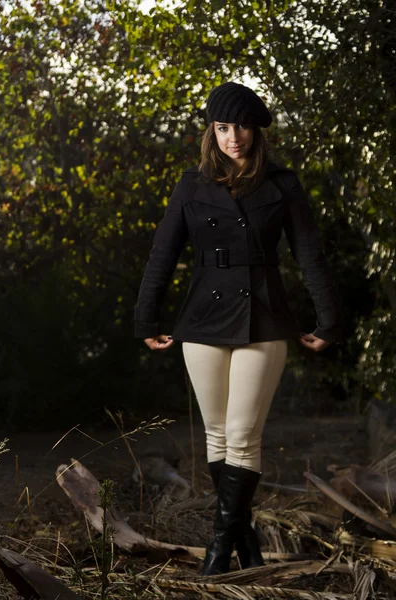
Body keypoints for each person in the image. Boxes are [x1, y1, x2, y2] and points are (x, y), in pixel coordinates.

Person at [133, 82, 343, 575]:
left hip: (265, 318)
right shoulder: (191, 185)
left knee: (243, 436)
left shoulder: (282, 185)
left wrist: (329, 321)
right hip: (202, 320)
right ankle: (246, 549)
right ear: (212, 131)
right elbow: (163, 254)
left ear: (257, 129)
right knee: (217, 435)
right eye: (224, 127)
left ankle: (216, 554)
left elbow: (310, 255)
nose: (234, 137)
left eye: (243, 126)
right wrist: (146, 317)